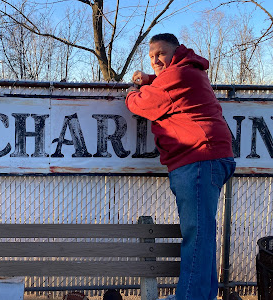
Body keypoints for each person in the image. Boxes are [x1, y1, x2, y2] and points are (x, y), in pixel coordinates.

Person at [125, 33, 236, 300]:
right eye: (151, 57)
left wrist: (130, 93)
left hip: (198, 158)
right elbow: (164, 87)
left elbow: (144, 103)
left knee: (196, 234)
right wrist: (150, 80)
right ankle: (201, 295)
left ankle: (190, 297)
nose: (155, 60)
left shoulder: (180, 75)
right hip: (204, 158)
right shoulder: (187, 71)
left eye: (161, 54)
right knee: (203, 234)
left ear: (176, 52)